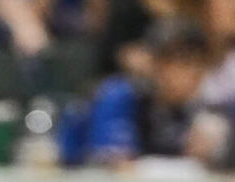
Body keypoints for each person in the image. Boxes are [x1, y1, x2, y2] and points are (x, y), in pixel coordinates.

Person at [85, 18, 235, 168]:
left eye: (193, 64)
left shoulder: (209, 112)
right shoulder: (121, 98)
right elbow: (112, 163)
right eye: (170, 62)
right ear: (153, 63)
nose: (189, 74)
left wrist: (211, 156)